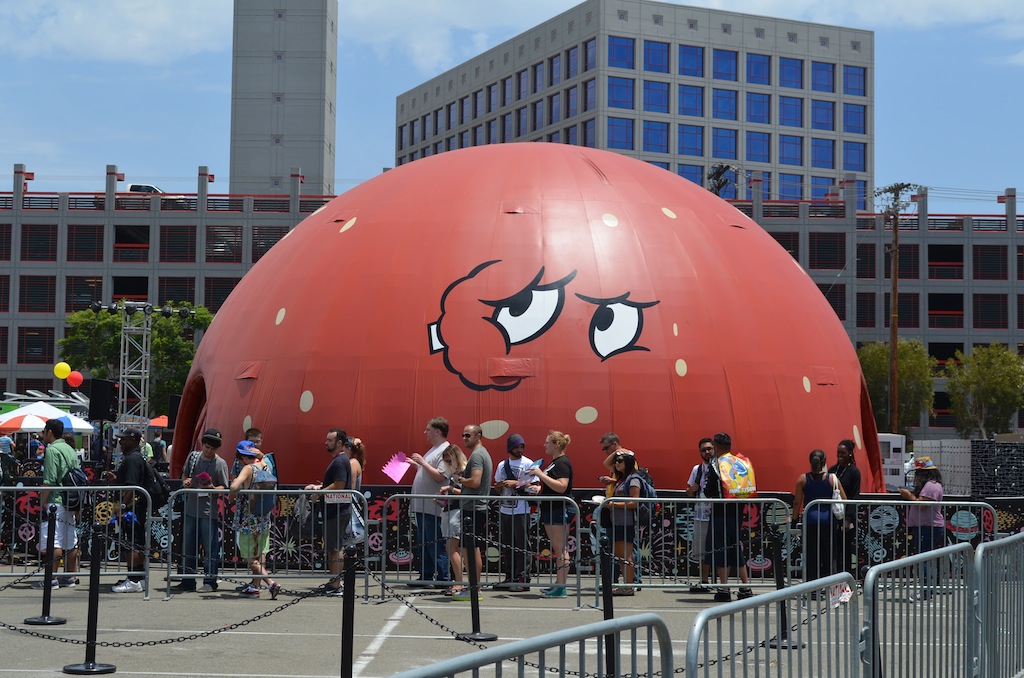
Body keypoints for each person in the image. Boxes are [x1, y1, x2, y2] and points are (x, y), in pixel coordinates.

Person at [442, 424, 492, 601]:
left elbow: (475, 482)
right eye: (463, 435)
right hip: (474, 508)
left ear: (478, 436)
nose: (464, 438)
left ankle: (474, 589)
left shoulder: (477, 455)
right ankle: (474, 589)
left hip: (474, 508)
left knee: (470, 550)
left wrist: (460, 479)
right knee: (470, 549)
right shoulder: (479, 454)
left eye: (468, 435)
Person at [176, 428, 229, 593]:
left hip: (208, 512)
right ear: (202, 444)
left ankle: (210, 581)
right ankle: (187, 580)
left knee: (210, 548)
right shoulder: (193, 457)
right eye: (207, 447)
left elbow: (224, 487)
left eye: (213, 449)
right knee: (188, 547)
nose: (209, 451)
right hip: (190, 509)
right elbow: (184, 476)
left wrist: (212, 487)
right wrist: (186, 482)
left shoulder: (220, 463)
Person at [704, 432, 754, 602]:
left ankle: (724, 588)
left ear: (716, 447)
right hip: (738, 510)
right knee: (735, 547)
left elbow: (709, 490)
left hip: (721, 511)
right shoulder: (740, 461)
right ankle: (746, 587)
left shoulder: (717, 464)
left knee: (720, 549)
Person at [33, 419, 81, 589]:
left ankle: (51, 578)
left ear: (50, 432)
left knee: (53, 541)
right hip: (71, 500)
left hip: (56, 500)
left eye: (44, 431)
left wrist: (42, 501)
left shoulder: (52, 450)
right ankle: (69, 577)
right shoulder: (70, 449)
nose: (43, 435)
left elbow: (50, 480)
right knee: (70, 540)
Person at [304, 428, 352, 595]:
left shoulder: (339, 461)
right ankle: (334, 581)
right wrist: (319, 488)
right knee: (333, 547)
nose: (326, 443)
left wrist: (319, 493)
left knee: (335, 548)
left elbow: (339, 484)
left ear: (339, 443)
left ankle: (336, 584)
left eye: (329, 440)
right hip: (335, 510)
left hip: (337, 511)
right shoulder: (340, 460)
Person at [231, 441, 281, 599]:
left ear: (244, 457)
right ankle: (255, 586)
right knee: (260, 553)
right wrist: (261, 455)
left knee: (247, 556)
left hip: (248, 518)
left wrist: (236, 484)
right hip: (264, 517)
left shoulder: (248, 468)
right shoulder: (265, 465)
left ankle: (270, 583)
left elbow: (234, 487)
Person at [527, 430, 574, 599]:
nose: (544, 445)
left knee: (560, 549)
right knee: (558, 549)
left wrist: (540, 474)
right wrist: (539, 488)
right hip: (552, 509)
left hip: (558, 509)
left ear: (556, 444)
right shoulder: (555, 463)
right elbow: (553, 485)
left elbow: (562, 486)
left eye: (547, 442)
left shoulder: (562, 463)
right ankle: (558, 583)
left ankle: (561, 587)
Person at [408, 417, 451, 587]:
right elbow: (430, 471)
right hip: (423, 505)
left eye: (428, 429)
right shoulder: (435, 449)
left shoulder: (445, 450)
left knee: (435, 543)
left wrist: (422, 462)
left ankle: (443, 578)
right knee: (424, 543)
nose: (425, 432)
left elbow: (441, 476)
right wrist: (417, 465)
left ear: (437, 432)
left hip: (433, 506)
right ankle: (426, 575)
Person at [105, 427, 149, 593]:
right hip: (135, 508)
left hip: (132, 510)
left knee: (130, 544)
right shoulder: (135, 458)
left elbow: (132, 486)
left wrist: (123, 507)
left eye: (124, 439)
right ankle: (138, 577)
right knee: (135, 543)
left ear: (133, 441)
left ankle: (134, 580)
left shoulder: (132, 459)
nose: (120, 442)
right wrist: (116, 479)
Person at [493, 433, 539, 591]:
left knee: (522, 545)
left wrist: (516, 483)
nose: (519, 450)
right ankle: (510, 576)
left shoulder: (528, 463)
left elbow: (534, 486)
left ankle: (523, 578)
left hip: (521, 510)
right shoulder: (502, 465)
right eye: (516, 447)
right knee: (507, 546)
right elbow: (497, 487)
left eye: (521, 447)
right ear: (510, 448)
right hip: (505, 508)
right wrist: (499, 487)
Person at [793, 449, 846, 583]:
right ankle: (829, 584)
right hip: (829, 521)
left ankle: (811, 585)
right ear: (824, 462)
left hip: (810, 521)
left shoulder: (802, 479)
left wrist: (794, 520)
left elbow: (797, 502)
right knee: (829, 555)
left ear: (810, 462)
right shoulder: (832, 478)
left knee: (811, 555)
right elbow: (844, 499)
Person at [899, 456, 945, 600]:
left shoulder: (931, 486)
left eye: (918, 473)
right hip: (925, 526)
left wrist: (908, 496)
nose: (916, 477)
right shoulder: (931, 485)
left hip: (928, 526)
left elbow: (922, 504)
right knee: (924, 558)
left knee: (924, 559)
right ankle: (927, 589)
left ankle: (925, 591)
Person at [603, 449, 642, 596]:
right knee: (621, 556)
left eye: (620, 461)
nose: (616, 463)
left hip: (626, 522)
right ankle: (626, 585)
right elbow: (606, 463)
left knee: (626, 555)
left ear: (628, 463)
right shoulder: (622, 479)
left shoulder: (633, 479)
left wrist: (612, 504)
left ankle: (628, 586)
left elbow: (634, 503)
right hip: (618, 521)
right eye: (616, 461)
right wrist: (616, 453)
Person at [828, 439, 861, 577]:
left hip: (846, 517)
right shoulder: (832, 470)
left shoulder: (854, 472)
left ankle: (846, 577)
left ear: (850, 454)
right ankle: (833, 578)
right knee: (832, 550)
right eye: (838, 452)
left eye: (843, 453)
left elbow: (854, 496)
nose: (840, 455)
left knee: (845, 550)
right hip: (832, 517)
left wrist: (848, 519)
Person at [437, 444, 467, 595]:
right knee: (452, 549)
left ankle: (459, 583)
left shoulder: (462, 472)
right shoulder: (455, 472)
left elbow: (465, 493)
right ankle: (458, 581)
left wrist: (450, 489)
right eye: (446, 462)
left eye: (449, 461)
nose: (448, 464)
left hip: (457, 512)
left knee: (452, 548)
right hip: (450, 510)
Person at [686, 438, 714, 593]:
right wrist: (691, 490)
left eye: (709, 449)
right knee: (702, 550)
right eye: (704, 450)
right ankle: (704, 581)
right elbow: (689, 491)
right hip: (701, 514)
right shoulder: (697, 469)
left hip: (717, 514)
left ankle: (722, 583)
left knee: (720, 548)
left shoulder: (721, 467)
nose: (707, 452)